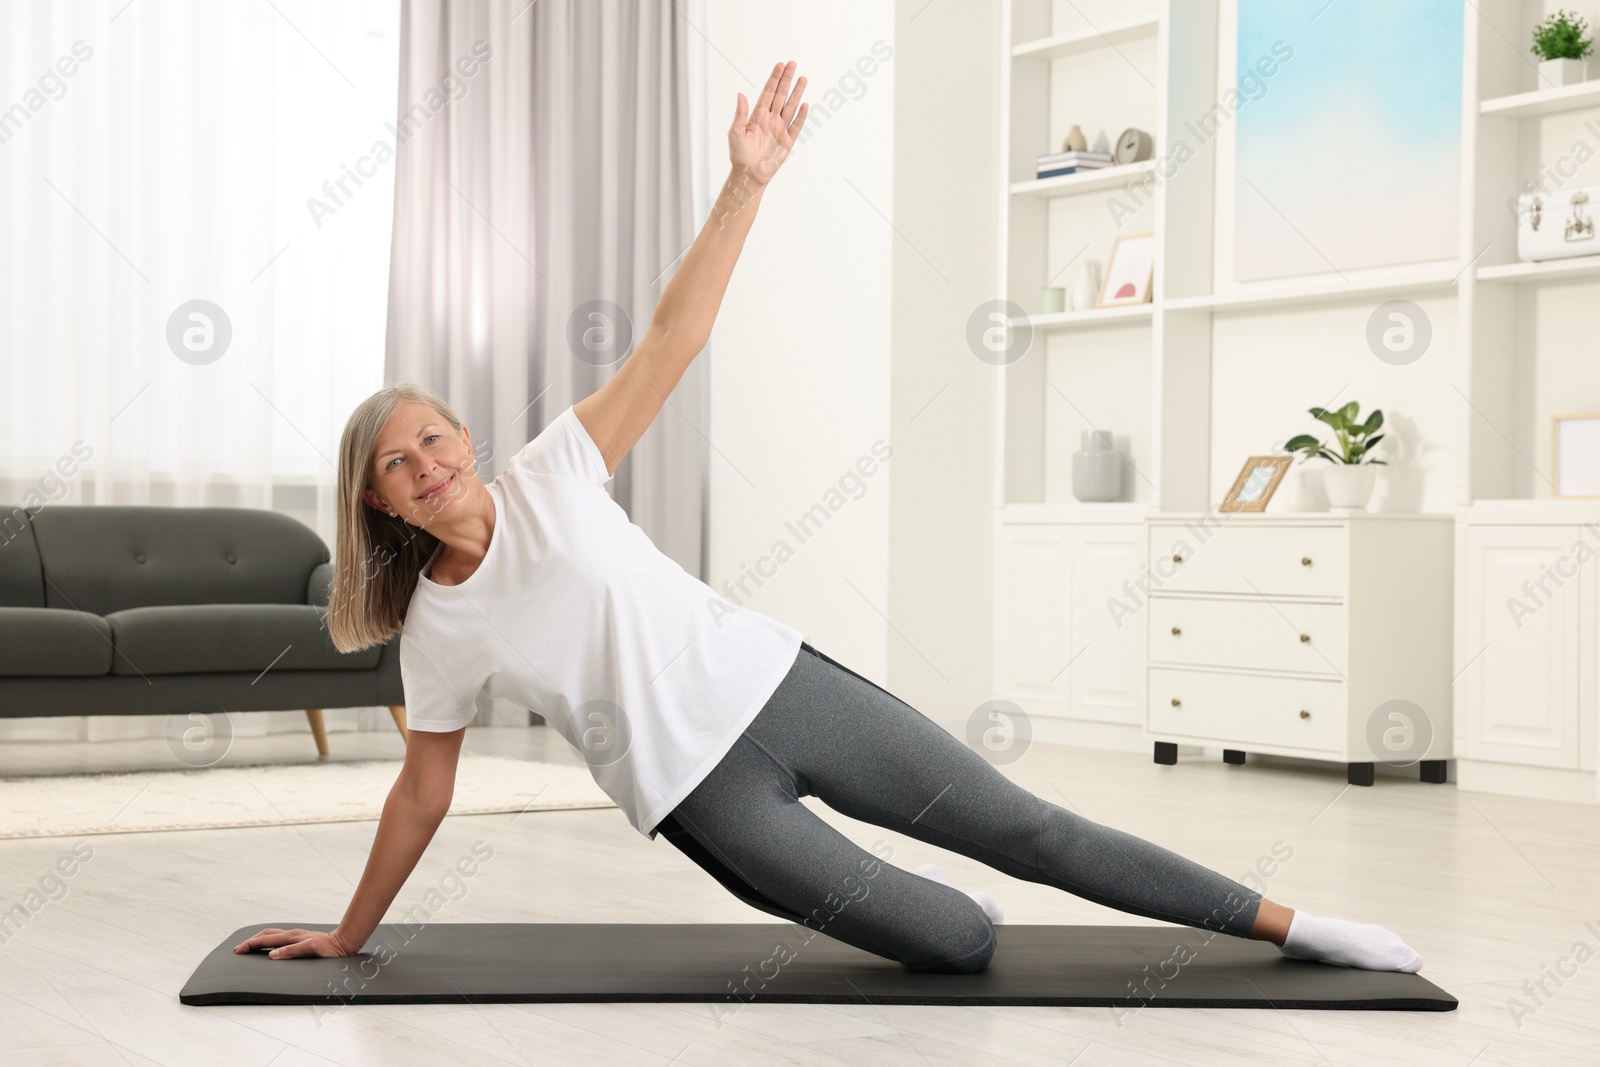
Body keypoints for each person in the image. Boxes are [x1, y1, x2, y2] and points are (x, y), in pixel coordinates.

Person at [233, 60, 1423, 977]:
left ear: (467, 438)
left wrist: (743, 183)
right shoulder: (436, 629)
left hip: (782, 685)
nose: (426, 462)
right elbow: (422, 794)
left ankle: (1298, 922)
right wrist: (348, 931)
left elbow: (672, 337)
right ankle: (932, 907)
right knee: (957, 942)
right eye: (397, 462)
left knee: (1032, 826)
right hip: (700, 794)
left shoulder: (555, 469)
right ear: (379, 500)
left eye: (434, 434)